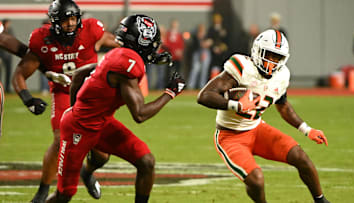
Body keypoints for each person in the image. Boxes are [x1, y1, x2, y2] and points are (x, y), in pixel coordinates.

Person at [45, 14, 185, 202]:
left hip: (100, 122)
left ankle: (87, 173)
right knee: (64, 194)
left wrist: (75, 108)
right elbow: (140, 114)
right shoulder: (126, 64)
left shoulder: (118, 54)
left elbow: (79, 74)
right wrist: (171, 92)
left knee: (146, 162)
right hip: (79, 128)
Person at [197, 29, 330, 203]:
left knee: (301, 157)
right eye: (269, 55)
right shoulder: (242, 67)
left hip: (257, 129)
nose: (271, 62)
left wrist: (307, 129)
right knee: (256, 179)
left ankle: (321, 201)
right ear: (257, 50)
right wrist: (236, 105)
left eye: (277, 57)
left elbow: (283, 107)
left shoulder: (282, 76)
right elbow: (204, 96)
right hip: (230, 136)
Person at [12, 0, 120, 202]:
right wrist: (28, 99)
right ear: (54, 22)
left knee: (102, 153)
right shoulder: (42, 40)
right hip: (63, 92)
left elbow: (114, 41)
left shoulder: (91, 31)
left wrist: (139, 50)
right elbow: (19, 74)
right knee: (59, 139)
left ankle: (87, 172)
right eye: (65, 20)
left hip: (91, 96)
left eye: (73, 18)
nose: (70, 23)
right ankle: (43, 191)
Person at [187, 23, 212, 89]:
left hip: (206, 53)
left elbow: (211, 42)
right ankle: (191, 86)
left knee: (204, 70)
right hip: (197, 53)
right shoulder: (195, 36)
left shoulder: (207, 35)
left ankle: (202, 86)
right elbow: (194, 46)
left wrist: (207, 44)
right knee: (195, 69)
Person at [0, 19, 15, 92]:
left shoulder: (10, 30)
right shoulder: (1, 30)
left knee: (8, 72)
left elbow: (13, 40)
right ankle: (1, 88)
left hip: (8, 55)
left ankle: (7, 88)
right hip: (1, 54)